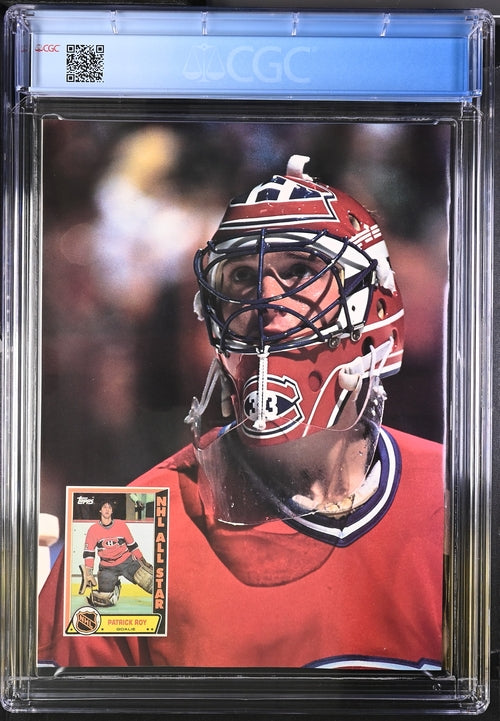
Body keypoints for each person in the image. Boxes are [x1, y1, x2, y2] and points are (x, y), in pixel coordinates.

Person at [39, 155, 444, 670]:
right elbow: (75, 703)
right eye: (240, 278)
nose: (263, 302)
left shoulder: (457, 497)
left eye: (299, 271)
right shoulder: (129, 525)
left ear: (374, 306)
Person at [79, 498, 154, 607]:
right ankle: (115, 586)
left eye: (109, 507)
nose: (107, 509)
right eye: (104, 507)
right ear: (100, 510)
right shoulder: (93, 529)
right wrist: (89, 572)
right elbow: (89, 552)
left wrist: (143, 561)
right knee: (104, 600)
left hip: (128, 562)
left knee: (151, 583)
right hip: (107, 568)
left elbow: (132, 546)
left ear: (112, 511)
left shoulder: (121, 525)